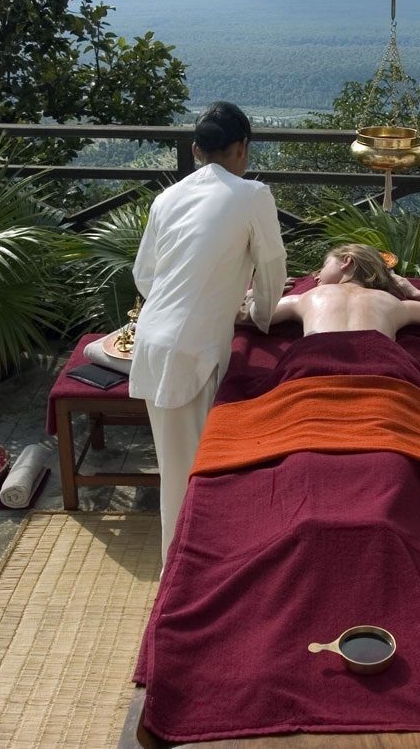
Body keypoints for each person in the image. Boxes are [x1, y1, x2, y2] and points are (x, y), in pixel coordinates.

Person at [129, 101, 287, 562]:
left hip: (157, 338)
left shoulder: (167, 197)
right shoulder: (252, 194)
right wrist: (258, 316)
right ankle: (179, 584)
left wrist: (203, 297)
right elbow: (273, 270)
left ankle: (193, 571)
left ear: (197, 149)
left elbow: (146, 276)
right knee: (188, 478)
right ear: (243, 148)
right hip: (188, 350)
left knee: (179, 468)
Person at [245, 243, 420, 339]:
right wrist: (416, 293)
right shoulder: (393, 304)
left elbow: (250, 315)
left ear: (347, 262)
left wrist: (259, 293)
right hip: (380, 369)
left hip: (316, 363)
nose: (315, 276)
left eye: (323, 266)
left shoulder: (308, 297)